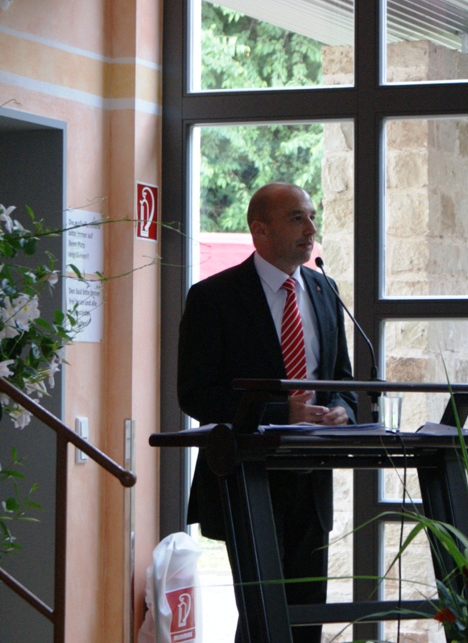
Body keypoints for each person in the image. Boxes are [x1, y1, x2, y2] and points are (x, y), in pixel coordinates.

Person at [177, 182, 357, 643]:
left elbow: (343, 380)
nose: (311, 229)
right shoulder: (214, 297)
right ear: (260, 230)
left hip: (311, 478)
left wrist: (341, 409)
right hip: (248, 479)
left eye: (311, 216)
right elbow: (195, 394)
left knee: (305, 618)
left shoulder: (324, 289)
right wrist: (283, 410)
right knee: (263, 619)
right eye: (297, 218)